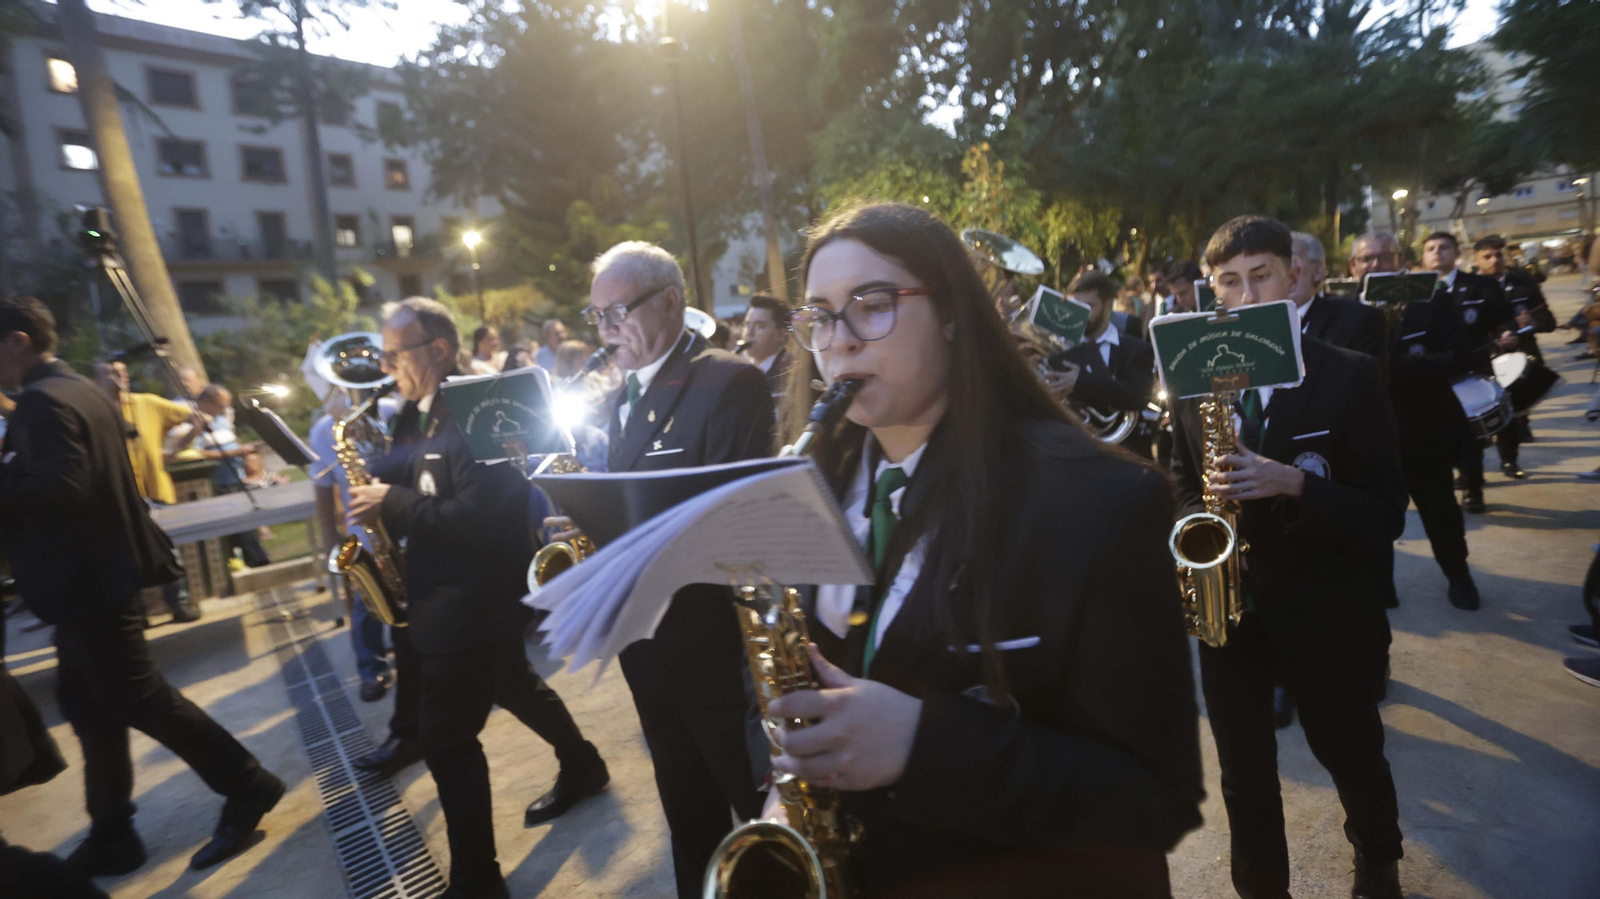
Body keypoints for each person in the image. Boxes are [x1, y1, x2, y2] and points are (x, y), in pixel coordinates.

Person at [756, 202, 1203, 897]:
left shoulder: (1098, 500)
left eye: (871, 304)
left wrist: (921, 745)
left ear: (953, 314)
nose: (836, 342)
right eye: (817, 314)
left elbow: (1153, 795)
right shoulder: (811, 485)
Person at [0, 296, 286, 875]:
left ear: (17, 341)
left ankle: (248, 783)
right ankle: (112, 832)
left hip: (89, 583)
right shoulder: (79, 389)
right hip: (94, 579)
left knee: (140, 698)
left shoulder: (42, 403)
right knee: (87, 705)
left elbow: (65, 486)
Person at [1170, 218, 1406, 899]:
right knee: (1243, 771)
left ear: (1295, 276)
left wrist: (1295, 481)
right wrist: (1199, 526)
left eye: (1262, 275)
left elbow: (1385, 511)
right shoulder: (1195, 378)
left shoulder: (1350, 376)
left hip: (1326, 607)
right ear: (1214, 291)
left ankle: (1378, 858)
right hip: (1231, 611)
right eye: (1230, 282)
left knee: (1350, 747)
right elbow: (1183, 481)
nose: (1246, 295)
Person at [345, 298, 607, 899]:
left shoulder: (483, 408)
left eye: (395, 353)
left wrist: (392, 502)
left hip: (473, 599)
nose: (387, 366)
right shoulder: (415, 412)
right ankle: (583, 763)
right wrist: (366, 478)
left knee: (446, 740)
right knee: (514, 686)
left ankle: (476, 881)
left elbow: (486, 519)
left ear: (437, 349)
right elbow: (408, 472)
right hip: (438, 591)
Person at [547, 241, 774, 898]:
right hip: (648, 645)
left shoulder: (727, 380)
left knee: (760, 815)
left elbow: (727, 518)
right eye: (598, 315)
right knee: (687, 813)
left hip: (712, 645)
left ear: (670, 302)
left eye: (619, 310)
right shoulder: (623, 395)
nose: (608, 328)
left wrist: (617, 525)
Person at [1350, 231, 1487, 612]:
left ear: (1400, 260)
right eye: (1366, 259)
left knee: (1439, 510)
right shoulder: (1347, 310)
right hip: (1367, 440)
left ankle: (1458, 575)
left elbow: (1460, 357)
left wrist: (1403, 367)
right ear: (1353, 267)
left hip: (1423, 432)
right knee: (1372, 518)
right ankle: (1383, 585)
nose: (1375, 265)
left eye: (1383, 257)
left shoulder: (1433, 300)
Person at [91, 360, 205, 622]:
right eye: (111, 374)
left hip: (154, 490)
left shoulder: (147, 403)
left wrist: (174, 451)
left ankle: (180, 604)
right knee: (125, 555)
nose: (119, 378)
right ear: (96, 380)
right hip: (116, 496)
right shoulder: (94, 410)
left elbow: (197, 418)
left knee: (169, 550)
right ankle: (139, 613)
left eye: (123, 372)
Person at [309, 389, 400, 702]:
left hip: (403, 519)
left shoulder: (393, 411)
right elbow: (322, 486)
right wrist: (329, 534)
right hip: (364, 529)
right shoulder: (324, 430)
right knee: (367, 600)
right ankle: (370, 668)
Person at [1422, 232, 1520, 512]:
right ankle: (1456, 477)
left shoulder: (1481, 286)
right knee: (1437, 434)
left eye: (1443, 248)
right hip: (1430, 372)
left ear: (1456, 254)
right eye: (1430, 248)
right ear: (1423, 256)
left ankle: (1473, 488)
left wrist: (1508, 332)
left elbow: (1503, 319)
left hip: (1471, 371)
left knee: (1470, 434)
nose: (1437, 253)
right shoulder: (1416, 289)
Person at [1042, 270, 1157, 460]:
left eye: (1088, 307)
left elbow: (1139, 396)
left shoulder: (1136, 349)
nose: (1080, 315)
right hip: (1071, 456)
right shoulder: (1057, 348)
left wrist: (1081, 383)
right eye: (1075, 307)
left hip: (1122, 458)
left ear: (1108, 306)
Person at [1472, 234, 1556, 478]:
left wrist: (1530, 324)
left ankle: (1510, 461)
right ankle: (1471, 474)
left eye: (1498, 255)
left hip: (1520, 358)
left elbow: (1548, 322)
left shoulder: (1523, 283)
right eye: (1486, 256)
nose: (1494, 260)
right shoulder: (1470, 288)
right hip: (1484, 359)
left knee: (1511, 413)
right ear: (1475, 260)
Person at [179, 385, 271, 569]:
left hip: (235, 476)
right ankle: (255, 561)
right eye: (221, 406)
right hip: (218, 480)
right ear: (206, 403)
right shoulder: (193, 422)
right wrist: (233, 453)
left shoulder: (221, 419)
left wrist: (245, 450)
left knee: (247, 519)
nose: (224, 410)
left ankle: (256, 559)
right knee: (237, 522)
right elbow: (197, 452)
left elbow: (230, 442)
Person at [1291, 232, 1384, 355]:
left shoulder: (1357, 321)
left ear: (1318, 270)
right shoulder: (1259, 324)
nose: (1282, 273)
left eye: (1291, 262)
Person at [740, 292, 792, 404]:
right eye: (746, 325)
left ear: (781, 334)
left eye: (759, 326)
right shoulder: (742, 370)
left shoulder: (789, 374)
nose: (749, 332)